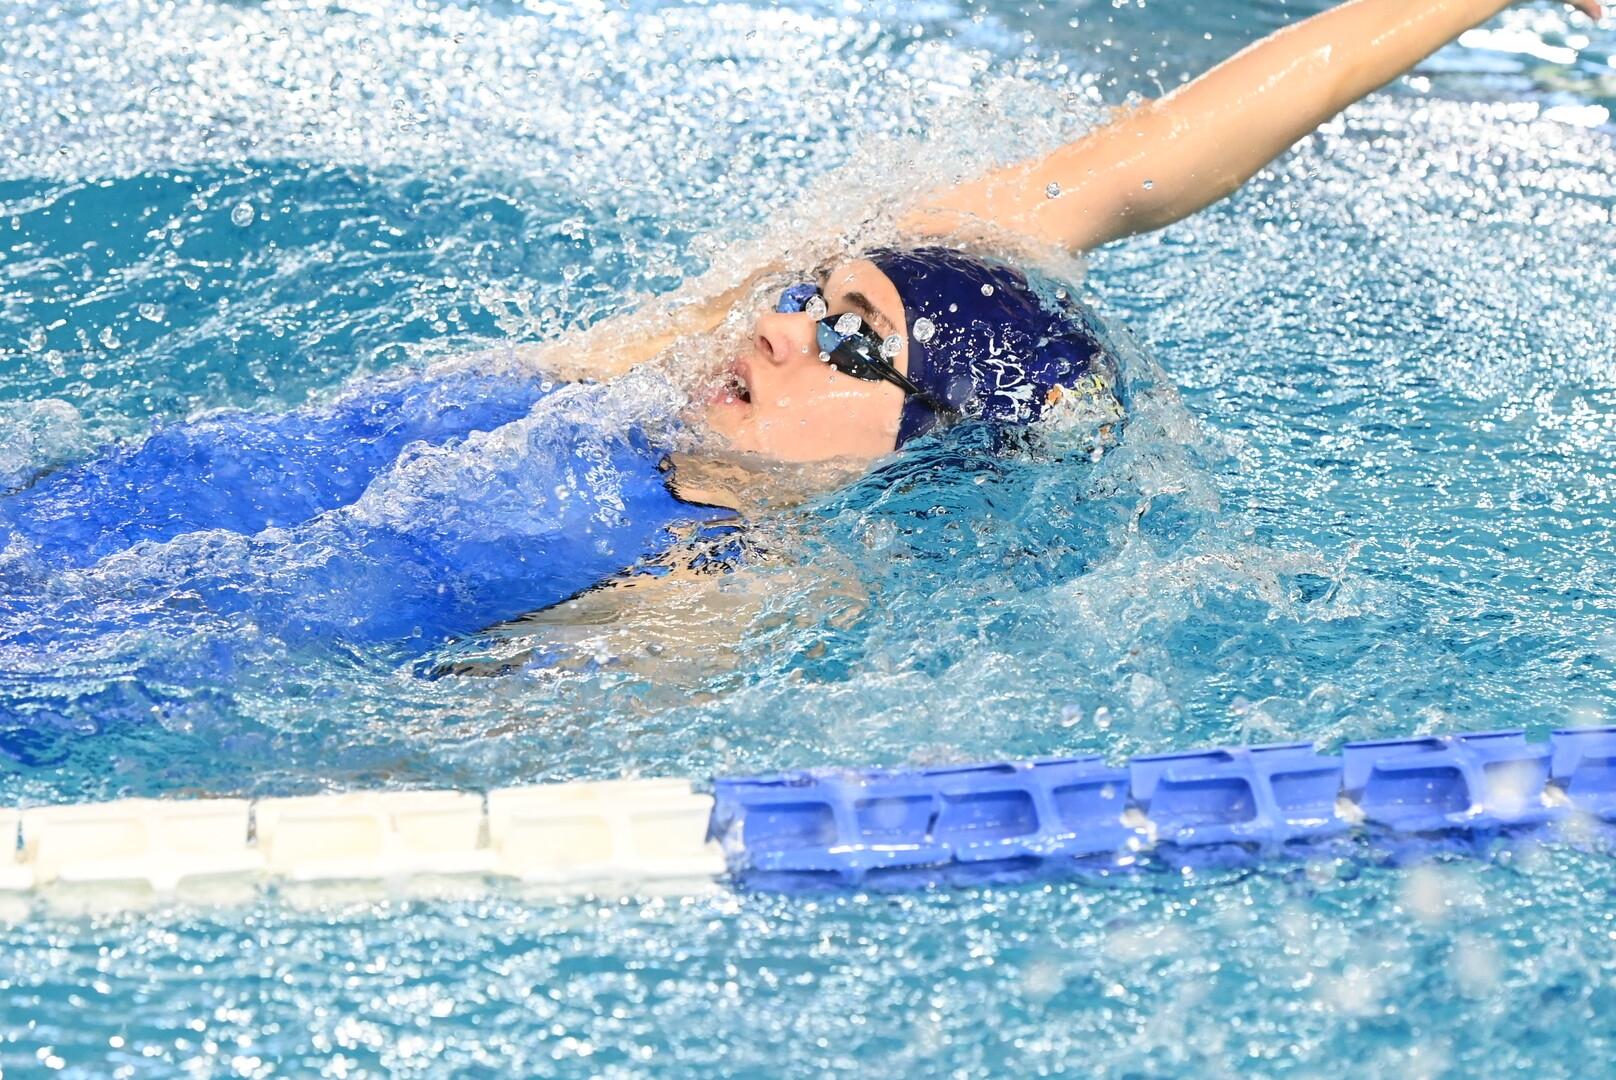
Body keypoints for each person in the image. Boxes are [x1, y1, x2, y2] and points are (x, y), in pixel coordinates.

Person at [1, 0, 1600, 678]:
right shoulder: (652, 373)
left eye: (850, 349)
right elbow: (1139, 159)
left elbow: (411, 765)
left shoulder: (724, 586)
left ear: (929, 449)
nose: (777, 331)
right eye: (813, 301)